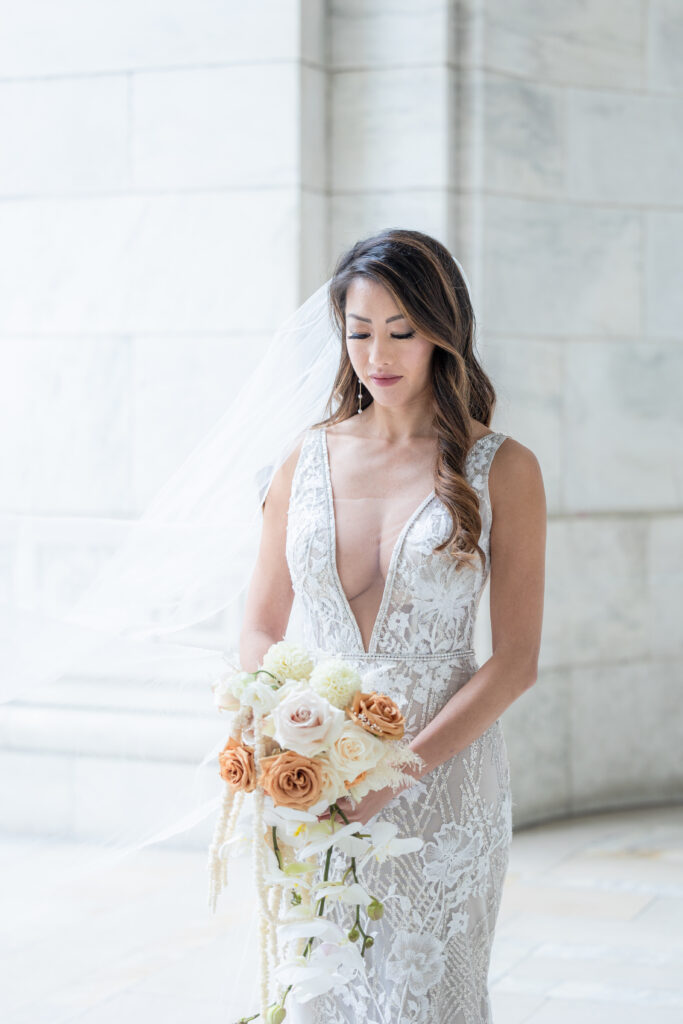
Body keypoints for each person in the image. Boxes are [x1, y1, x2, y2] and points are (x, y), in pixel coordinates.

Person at [238, 229, 547, 1023]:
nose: (378, 354)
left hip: (445, 782)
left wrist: (392, 777)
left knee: (427, 995)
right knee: (318, 990)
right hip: (317, 776)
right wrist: (278, 732)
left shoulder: (501, 467)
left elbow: (514, 662)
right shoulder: (301, 461)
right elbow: (260, 625)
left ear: (443, 331)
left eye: (401, 331)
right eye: (359, 330)